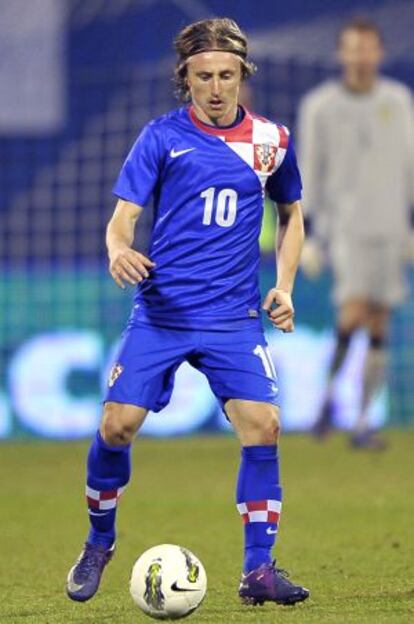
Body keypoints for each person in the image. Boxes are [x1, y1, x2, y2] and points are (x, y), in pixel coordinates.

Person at [66, 18, 309, 607]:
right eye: (204, 77)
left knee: (264, 424)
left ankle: (258, 571)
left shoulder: (271, 141)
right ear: (187, 78)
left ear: (242, 75)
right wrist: (119, 250)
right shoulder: (160, 137)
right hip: (163, 313)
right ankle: (100, 541)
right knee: (115, 427)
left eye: (227, 75)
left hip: (231, 317)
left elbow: (292, 216)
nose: (217, 87)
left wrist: (284, 285)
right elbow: (122, 219)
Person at [299, 17, 414, 449]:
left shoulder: (399, 101)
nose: (360, 56)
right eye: (352, 48)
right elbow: (310, 168)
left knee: (380, 319)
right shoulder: (320, 106)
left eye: (367, 48)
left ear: (379, 53)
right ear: (340, 54)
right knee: (353, 311)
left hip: (391, 226)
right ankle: (329, 399)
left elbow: (410, 165)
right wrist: (308, 233)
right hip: (344, 227)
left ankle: (363, 421)